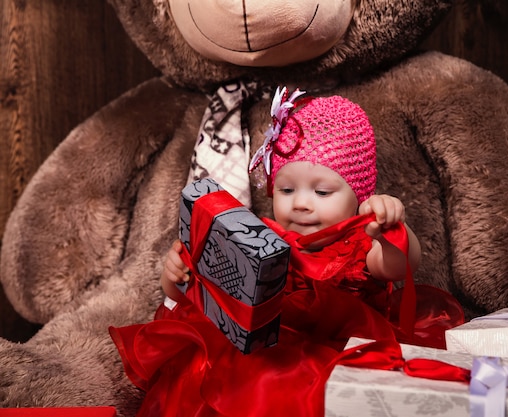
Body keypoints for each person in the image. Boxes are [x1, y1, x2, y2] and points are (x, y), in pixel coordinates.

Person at [110, 88, 463, 417]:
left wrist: (388, 231)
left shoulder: (358, 247)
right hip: (255, 348)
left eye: (323, 192)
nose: (301, 205)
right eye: (287, 189)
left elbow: (399, 266)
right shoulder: (259, 238)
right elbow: (203, 296)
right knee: (203, 362)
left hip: (328, 356)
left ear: (358, 197)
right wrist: (177, 277)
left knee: (275, 380)